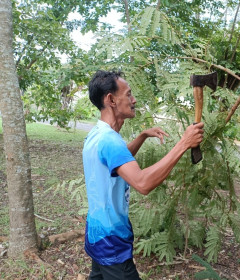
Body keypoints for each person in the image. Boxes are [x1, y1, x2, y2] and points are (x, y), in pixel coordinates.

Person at [82, 70, 204, 280]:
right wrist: (183, 143)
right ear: (111, 100)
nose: (134, 99)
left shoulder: (97, 134)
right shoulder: (110, 141)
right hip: (112, 241)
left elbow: (117, 162)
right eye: (128, 94)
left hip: (96, 233)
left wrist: (142, 136)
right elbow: (142, 183)